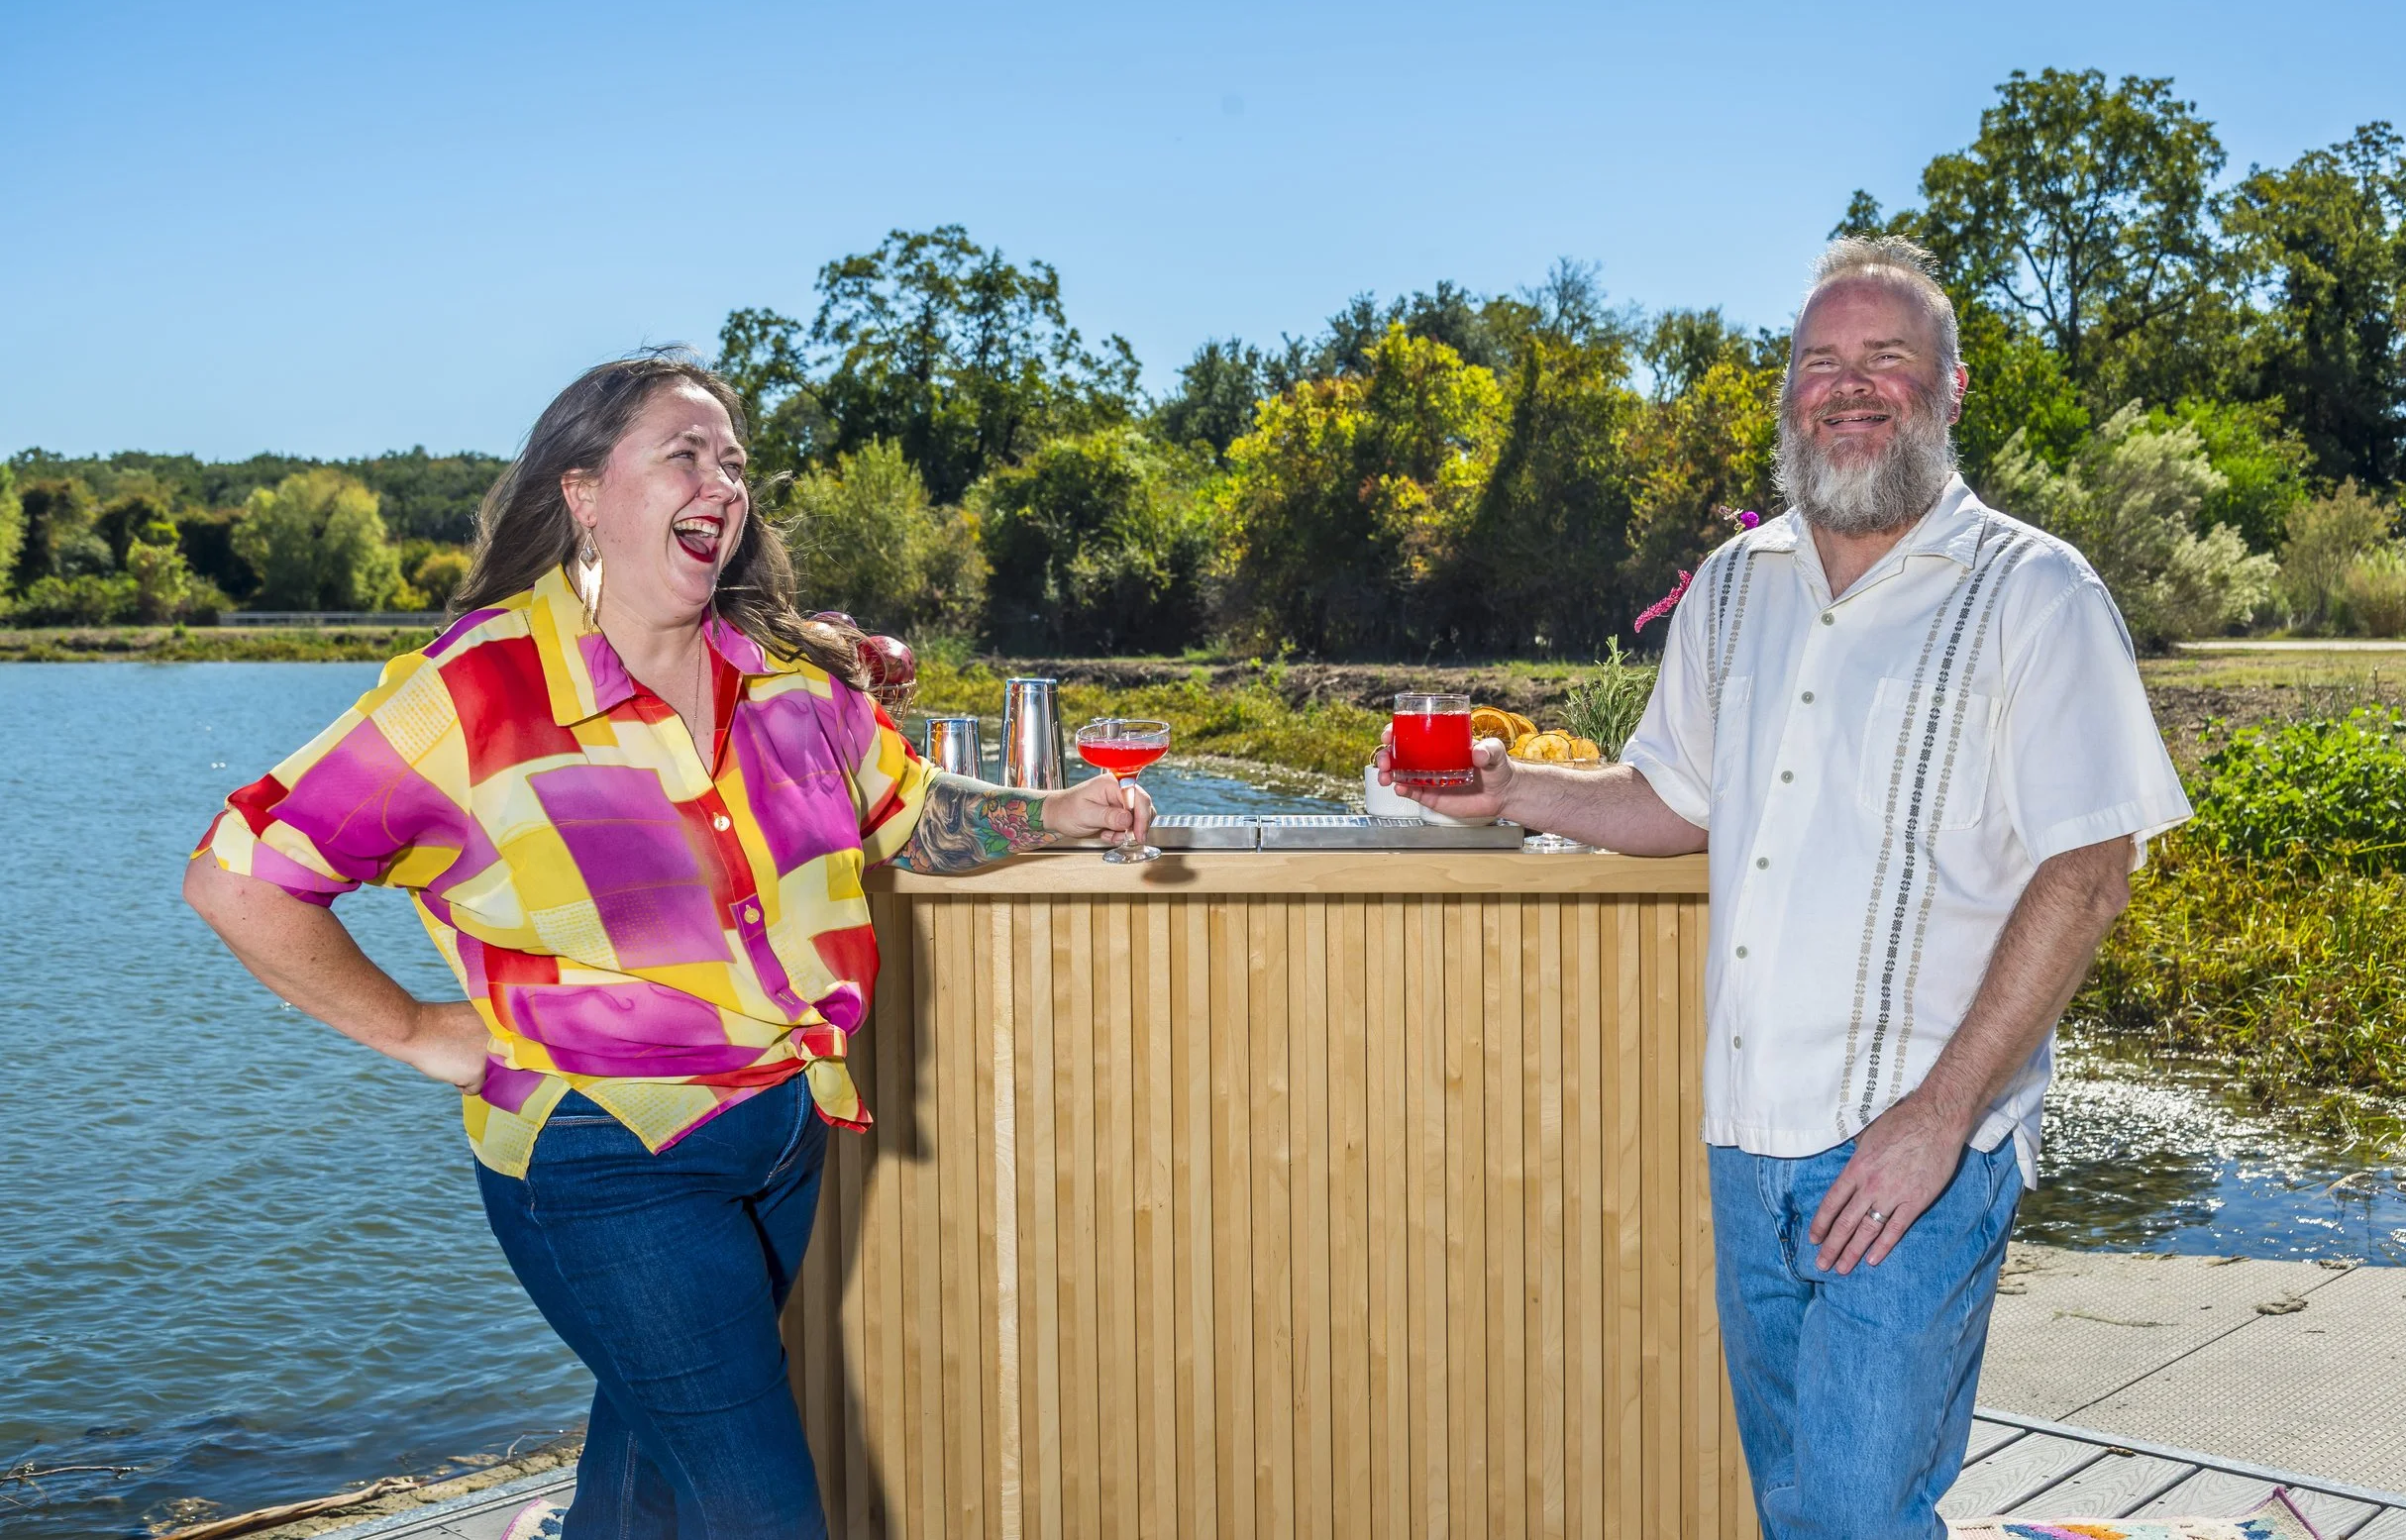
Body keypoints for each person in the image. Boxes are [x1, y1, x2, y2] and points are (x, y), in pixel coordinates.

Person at [183, 352, 1152, 1540]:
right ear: (584, 493)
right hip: (606, 1156)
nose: (721, 482)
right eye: (683, 455)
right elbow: (240, 878)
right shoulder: (476, 689)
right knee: (761, 1508)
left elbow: (911, 814)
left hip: (783, 1136)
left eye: (734, 462)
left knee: (645, 1474)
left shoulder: (788, 684)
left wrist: (1049, 813)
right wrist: (417, 1030)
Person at [1387, 238, 2189, 1538]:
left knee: (1859, 1522)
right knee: (1802, 1507)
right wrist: (1518, 792)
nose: (1851, 387)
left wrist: (1938, 1118)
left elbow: (2091, 869)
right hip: (1746, 1139)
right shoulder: (1732, 588)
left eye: (1888, 359)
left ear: (1951, 388)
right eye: (1823, 361)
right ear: (1789, 393)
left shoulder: (2038, 592)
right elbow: (1677, 800)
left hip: (1918, 1142)